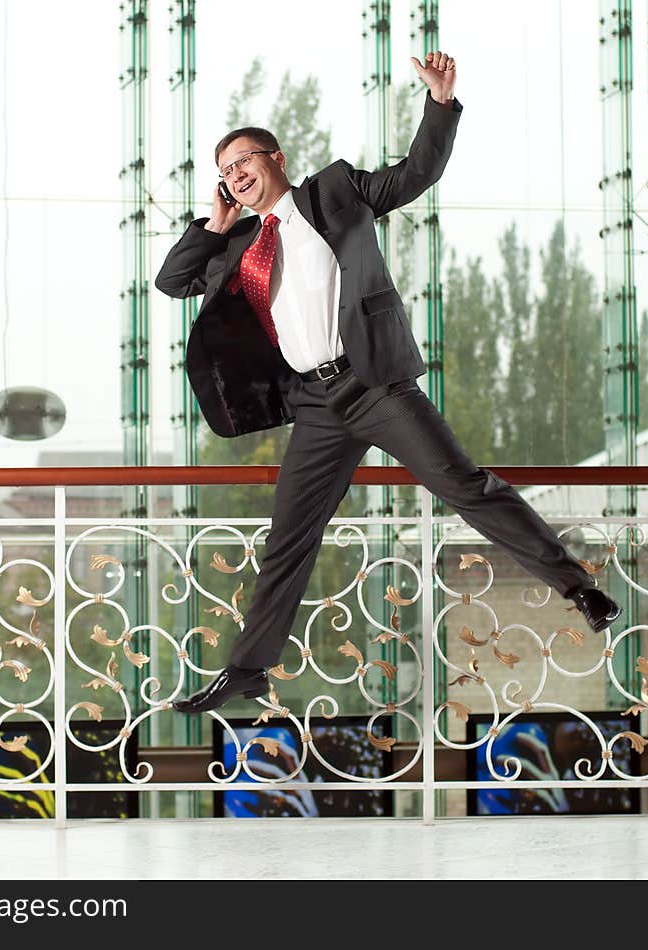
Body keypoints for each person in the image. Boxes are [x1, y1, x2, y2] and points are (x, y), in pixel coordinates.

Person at [155, 51, 621, 714]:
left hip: (372, 382)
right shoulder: (237, 245)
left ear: (275, 159)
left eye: (244, 164)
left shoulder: (335, 192)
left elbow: (416, 174)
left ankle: (577, 587)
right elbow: (173, 283)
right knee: (289, 535)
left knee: (464, 484)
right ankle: (249, 669)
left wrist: (440, 103)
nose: (236, 177)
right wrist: (216, 225)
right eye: (226, 173)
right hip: (313, 403)